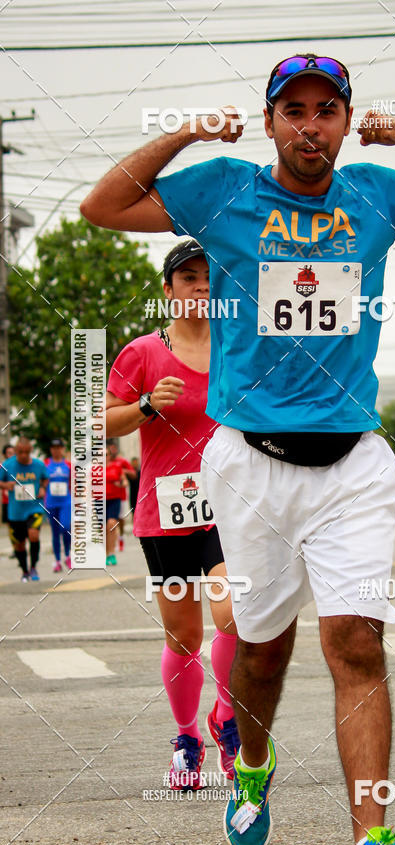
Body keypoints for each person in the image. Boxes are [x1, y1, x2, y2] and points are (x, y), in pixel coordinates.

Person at [81, 52, 395, 845]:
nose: (309, 126)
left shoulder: (379, 196)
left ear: (348, 123)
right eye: (294, 111)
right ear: (271, 120)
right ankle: (253, 761)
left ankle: (370, 842)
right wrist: (181, 132)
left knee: (356, 640)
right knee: (264, 652)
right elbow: (104, 206)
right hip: (251, 465)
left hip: (352, 460)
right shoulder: (223, 189)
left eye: (327, 111)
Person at [105, 240, 239, 786]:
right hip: (166, 511)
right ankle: (188, 738)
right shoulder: (141, 353)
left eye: (209, 276)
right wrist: (143, 407)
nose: (201, 286)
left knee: (236, 615)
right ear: (167, 289)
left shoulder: (241, 346)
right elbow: (98, 423)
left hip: (231, 508)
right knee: (183, 637)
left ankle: (228, 719)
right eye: (187, 277)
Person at [0, 437, 48, 582]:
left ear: (30, 451)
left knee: (33, 535)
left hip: (34, 507)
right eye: (20, 452)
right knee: (19, 544)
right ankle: (24, 570)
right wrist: (6, 486)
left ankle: (33, 567)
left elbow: (45, 478)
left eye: (26, 452)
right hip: (16, 512)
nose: (23, 455)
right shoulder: (8, 465)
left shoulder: (39, 465)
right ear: (15, 451)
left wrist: (43, 488)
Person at [105, 439, 134, 565]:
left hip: (116, 498)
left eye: (106, 454)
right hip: (99, 500)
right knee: (103, 528)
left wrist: (122, 483)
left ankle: (112, 551)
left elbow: (128, 479)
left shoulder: (118, 465)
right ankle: (106, 553)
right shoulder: (94, 469)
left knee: (113, 523)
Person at [44, 438, 72, 572]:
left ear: (62, 449)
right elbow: (41, 480)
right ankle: (57, 561)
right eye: (54, 448)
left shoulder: (68, 464)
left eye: (59, 447)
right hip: (50, 502)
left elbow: (75, 482)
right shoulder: (45, 464)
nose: (57, 450)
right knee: (55, 532)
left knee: (66, 527)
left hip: (65, 502)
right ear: (51, 450)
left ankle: (67, 555)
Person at [2, 443, 15, 526]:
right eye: (9, 453)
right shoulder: (2, 467)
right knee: (10, 526)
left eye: (13, 453)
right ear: (5, 455)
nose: (12, 456)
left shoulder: (19, 467)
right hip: (7, 500)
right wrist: (7, 485)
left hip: (18, 500)